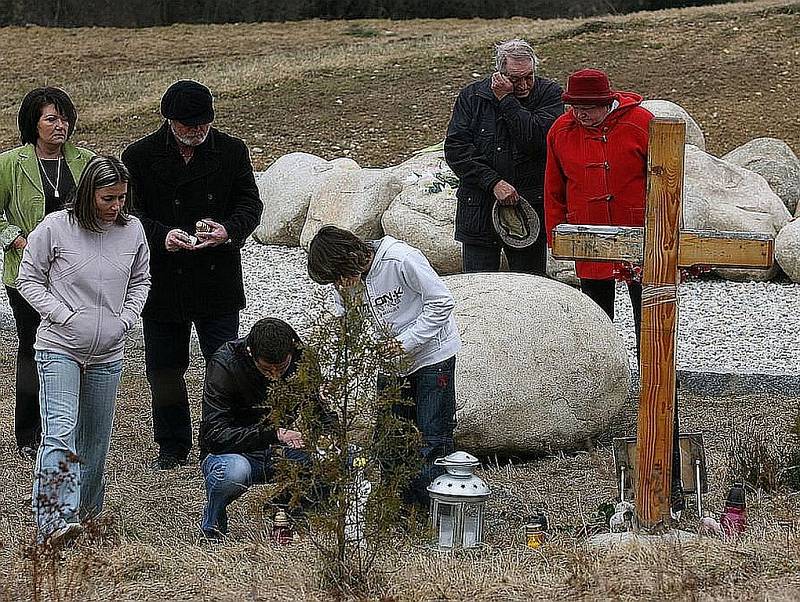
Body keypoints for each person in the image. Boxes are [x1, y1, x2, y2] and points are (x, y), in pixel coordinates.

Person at [544, 68, 684, 513]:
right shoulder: (559, 132)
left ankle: (661, 431)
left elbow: (668, 182)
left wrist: (665, 239)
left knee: (654, 347)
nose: (582, 116)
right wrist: (558, 236)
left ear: (609, 102)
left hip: (646, 249)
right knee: (597, 336)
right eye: (576, 108)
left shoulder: (643, 123)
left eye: (590, 107)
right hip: (592, 251)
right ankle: (595, 416)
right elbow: (553, 189)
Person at [122, 80, 263, 470]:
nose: (197, 132)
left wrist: (228, 230)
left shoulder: (232, 151)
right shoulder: (139, 155)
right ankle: (172, 445)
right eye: (188, 126)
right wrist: (161, 235)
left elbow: (250, 203)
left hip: (216, 278)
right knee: (165, 368)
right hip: (164, 279)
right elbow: (130, 213)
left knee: (226, 366)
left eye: (203, 125)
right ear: (169, 121)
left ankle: (222, 440)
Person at [16, 156, 150, 545]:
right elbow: (28, 278)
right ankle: (54, 522)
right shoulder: (55, 227)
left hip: (109, 351)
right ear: (89, 194)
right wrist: (61, 314)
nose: (116, 206)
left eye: (122, 198)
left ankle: (87, 518)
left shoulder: (133, 230)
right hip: (60, 346)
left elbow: (141, 278)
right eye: (108, 198)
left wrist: (125, 319)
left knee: (96, 439)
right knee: (60, 432)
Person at [307, 225, 461, 507]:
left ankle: (435, 509)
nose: (339, 286)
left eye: (339, 278)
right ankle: (400, 508)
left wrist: (406, 342)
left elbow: (441, 302)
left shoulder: (400, 259)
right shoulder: (346, 282)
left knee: (431, 437)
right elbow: (344, 321)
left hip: (431, 357)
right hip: (390, 365)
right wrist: (335, 371)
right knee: (391, 439)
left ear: (351, 258)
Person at [0, 87, 93, 460]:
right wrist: (17, 239)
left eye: (64, 118)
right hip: (26, 275)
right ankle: (29, 434)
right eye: (51, 119)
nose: (60, 125)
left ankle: (74, 427)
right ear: (33, 124)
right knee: (32, 349)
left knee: (79, 348)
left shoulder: (85, 161)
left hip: (76, 275)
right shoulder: (10, 163)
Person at [444, 38, 564, 275]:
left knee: (529, 288)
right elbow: (457, 148)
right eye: (514, 79)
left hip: (527, 208)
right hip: (478, 206)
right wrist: (493, 182)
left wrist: (507, 100)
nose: (523, 85)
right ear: (499, 74)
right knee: (478, 288)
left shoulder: (549, 94)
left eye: (528, 76)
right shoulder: (472, 96)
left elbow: (535, 141)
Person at [199, 318, 323, 540]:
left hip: (278, 449)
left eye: (281, 368)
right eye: (267, 369)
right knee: (232, 473)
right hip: (232, 452)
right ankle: (213, 525)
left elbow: (317, 410)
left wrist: (328, 436)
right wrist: (272, 434)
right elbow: (213, 435)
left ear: (292, 353)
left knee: (342, 457)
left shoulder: (304, 359)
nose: (275, 375)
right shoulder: (224, 364)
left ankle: (286, 509)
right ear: (250, 352)